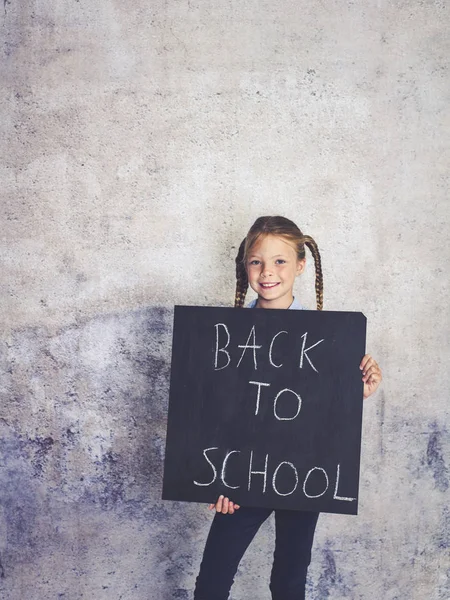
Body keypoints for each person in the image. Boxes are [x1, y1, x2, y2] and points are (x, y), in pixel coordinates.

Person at [193, 216, 382, 600]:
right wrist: (217, 477)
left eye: (279, 261)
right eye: (256, 261)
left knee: (290, 580)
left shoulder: (328, 342)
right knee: (212, 582)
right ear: (245, 266)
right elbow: (212, 415)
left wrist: (356, 393)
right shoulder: (224, 339)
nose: (267, 272)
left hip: (302, 474)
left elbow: (323, 415)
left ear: (300, 265)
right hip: (242, 477)